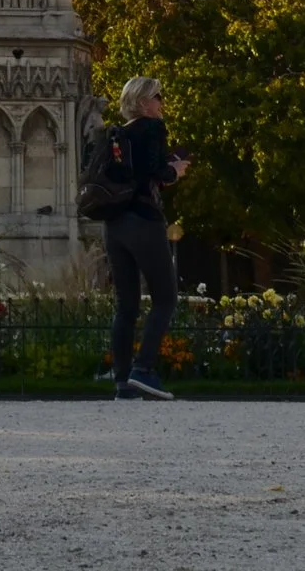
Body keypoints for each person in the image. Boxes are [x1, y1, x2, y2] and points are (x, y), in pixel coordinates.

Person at [103, 76, 189, 401]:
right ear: (143, 102)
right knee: (165, 298)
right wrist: (174, 171)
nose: (162, 102)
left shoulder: (117, 135)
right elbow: (154, 173)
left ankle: (123, 380)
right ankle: (144, 369)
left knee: (126, 305)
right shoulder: (152, 129)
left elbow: (131, 173)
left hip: (115, 224)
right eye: (158, 96)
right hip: (143, 220)